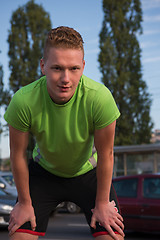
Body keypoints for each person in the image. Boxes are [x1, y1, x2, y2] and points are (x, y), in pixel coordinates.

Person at [4, 26, 125, 240]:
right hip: (43, 175)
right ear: (43, 66)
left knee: (111, 236)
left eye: (74, 68)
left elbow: (106, 154)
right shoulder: (23, 101)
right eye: (57, 68)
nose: (66, 78)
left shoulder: (100, 98)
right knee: (18, 236)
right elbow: (18, 154)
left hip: (88, 174)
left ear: (83, 67)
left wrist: (103, 203)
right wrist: (24, 202)